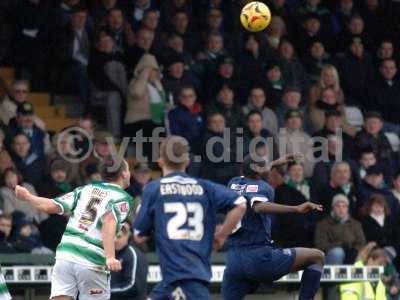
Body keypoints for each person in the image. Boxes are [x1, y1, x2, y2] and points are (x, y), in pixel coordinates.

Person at [133, 135, 247, 299]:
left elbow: (138, 236)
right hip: (180, 278)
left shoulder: (153, 189)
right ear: (187, 161)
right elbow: (241, 203)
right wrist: (221, 236)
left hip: (182, 277)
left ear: (160, 161)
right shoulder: (205, 187)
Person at [15, 156, 135, 300]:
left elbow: (52, 206)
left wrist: (28, 197)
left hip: (65, 255)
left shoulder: (85, 189)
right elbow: (109, 223)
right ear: (124, 173)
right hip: (91, 259)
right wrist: (110, 256)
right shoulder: (122, 198)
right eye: (128, 169)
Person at [222, 155, 324, 299]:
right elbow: (259, 206)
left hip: (234, 261)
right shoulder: (264, 187)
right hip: (258, 258)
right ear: (259, 171)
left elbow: (253, 173)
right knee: (317, 257)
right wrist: (296, 208)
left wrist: (275, 162)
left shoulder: (233, 183)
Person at [314, 194, 366, 264]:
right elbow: (320, 245)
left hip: (352, 253)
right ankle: (335, 274)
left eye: (344, 206)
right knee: (338, 252)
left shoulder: (355, 224)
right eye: (338, 206)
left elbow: (361, 241)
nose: (341, 209)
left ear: (347, 208)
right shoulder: (323, 224)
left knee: (360, 254)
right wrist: (340, 246)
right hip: (330, 255)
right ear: (333, 207)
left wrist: (353, 249)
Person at [111, 223, 148, 300]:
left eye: (119, 237)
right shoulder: (109, 254)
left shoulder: (132, 254)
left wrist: (106, 291)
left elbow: (133, 286)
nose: (115, 240)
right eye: (112, 236)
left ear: (127, 236)